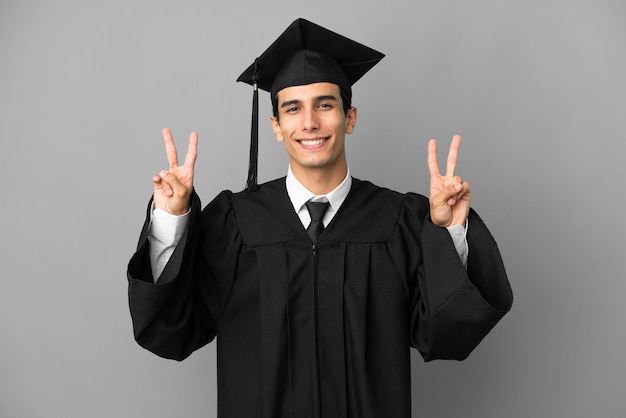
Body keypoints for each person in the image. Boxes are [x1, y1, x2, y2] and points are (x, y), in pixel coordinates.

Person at [127, 18, 513, 418]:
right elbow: (170, 330)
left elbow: (446, 335)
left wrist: (448, 231)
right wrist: (171, 220)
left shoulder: (398, 221)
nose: (309, 122)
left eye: (324, 105)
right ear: (276, 126)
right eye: (292, 109)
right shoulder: (236, 223)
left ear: (350, 118)